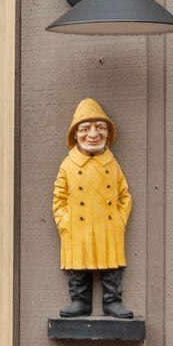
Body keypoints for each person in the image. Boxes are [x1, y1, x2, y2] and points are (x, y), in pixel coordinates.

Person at [52, 97, 133, 318]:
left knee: (111, 265)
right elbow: (59, 197)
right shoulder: (68, 165)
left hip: (108, 224)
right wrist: (63, 221)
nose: (93, 134)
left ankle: (112, 301)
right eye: (85, 129)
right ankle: (80, 301)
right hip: (77, 225)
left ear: (108, 133)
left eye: (100, 127)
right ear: (75, 134)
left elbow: (124, 194)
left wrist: (120, 220)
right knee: (78, 265)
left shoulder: (112, 164)